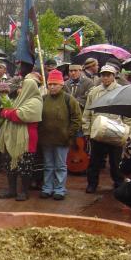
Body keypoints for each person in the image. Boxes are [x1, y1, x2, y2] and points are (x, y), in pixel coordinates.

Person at [82, 65, 131, 193]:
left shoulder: (122, 91)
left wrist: (128, 133)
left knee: (115, 161)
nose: (105, 77)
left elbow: (127, 115)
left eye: (108, 75)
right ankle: (92, 184)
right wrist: (87, 131)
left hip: (115, 131)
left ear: (114, 76)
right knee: (95, 161)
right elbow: (87, 112)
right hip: (98, 131)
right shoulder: (94, 92)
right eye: (103, 75)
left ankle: (118, 182)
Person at [0, 76, 43, 201]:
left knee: (25, 166)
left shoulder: (36, 101)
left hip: (26, 139)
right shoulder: (18, 100)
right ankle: (12, 190)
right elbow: (6, 110)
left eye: (23, 87)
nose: (21, 89)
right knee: (10, 165)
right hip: (12, 138)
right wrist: (7, 112)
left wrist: (7, 113)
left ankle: (24, 192)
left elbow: (21, 115)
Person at [39, 69, 82, 200]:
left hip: (63, 140)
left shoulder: (69, 100)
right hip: (46, 140)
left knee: (60, 166)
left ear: (61, 85)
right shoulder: (43, 99)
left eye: (55, 84)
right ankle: (47, 188)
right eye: (50, 84)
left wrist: (69, 134)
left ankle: (59, 189)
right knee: (48, 165)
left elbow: (77, 119)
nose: (52, 87)